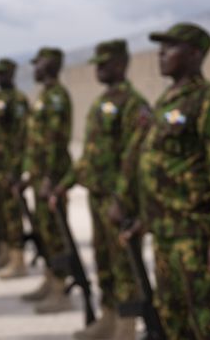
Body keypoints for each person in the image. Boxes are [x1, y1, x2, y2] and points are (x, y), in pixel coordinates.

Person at [123, 23, 210, 340]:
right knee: (173, 324)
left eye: (171, 47)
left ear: (194, 54)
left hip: (197, 238)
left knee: (209, 326)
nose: (161, 53)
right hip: (166, 237)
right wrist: (144, 220)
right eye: (161, 47)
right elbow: (162, 170)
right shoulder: (167, 102)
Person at [52, 40, 149, 340]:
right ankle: (108, 318)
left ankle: (126, 327)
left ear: (120, 64)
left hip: (119, 201)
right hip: (97, 197)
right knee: (104, 261)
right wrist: (64, 184)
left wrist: (121, 198)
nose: (99, 69)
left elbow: (135, 159)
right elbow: (90, 156)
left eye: (104, 64)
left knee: (125, 265)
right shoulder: (101, 102)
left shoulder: (134, 104)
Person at [21, 47, 74, 313]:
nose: (35, 68)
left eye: (38, 63)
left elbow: (56, 140)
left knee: (55, 234)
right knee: (44, 231)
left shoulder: (57, 98)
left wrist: (50, 178)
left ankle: (60, 291)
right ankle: (49, 279)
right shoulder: (45, 95)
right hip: (40, 177)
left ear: (51, 65)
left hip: (50, 180)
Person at [0, 58, 29, 278]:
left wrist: (16, 170)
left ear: (12, 74)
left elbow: (21, 137)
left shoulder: (17, 100)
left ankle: (18, 260)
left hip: (7, 168)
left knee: (12, 216)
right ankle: (5, 253)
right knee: (0, 212)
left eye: (3, 73)